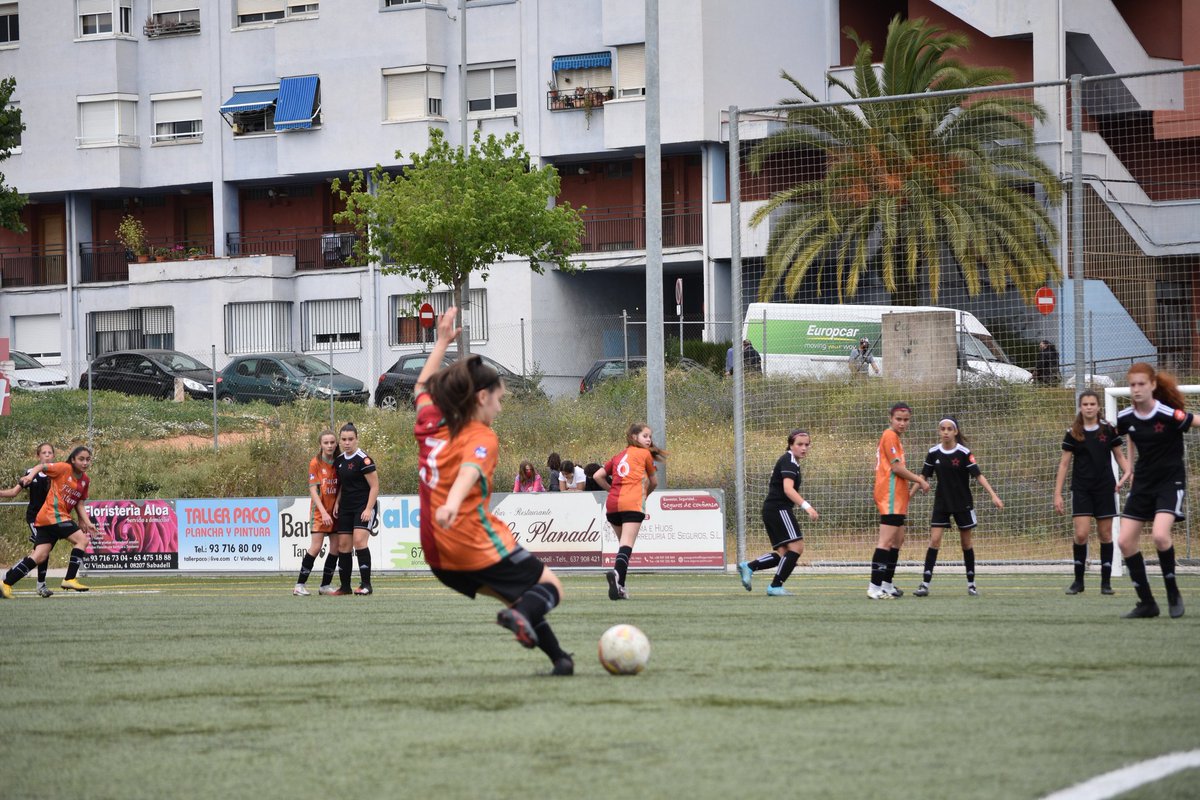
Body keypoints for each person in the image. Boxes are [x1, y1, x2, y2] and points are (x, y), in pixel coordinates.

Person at [421, 311, 573, 675]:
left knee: (521, 596)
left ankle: (561, 661)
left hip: (436, 552)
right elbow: (469, 474)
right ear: (482, 397)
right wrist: (453, 503)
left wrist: (441, 342)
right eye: (499, 400)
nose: (500, 407)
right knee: (550, 587)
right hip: (471, 541)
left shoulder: (430, 421)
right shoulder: (482, 436)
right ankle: (522, 617)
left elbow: (422, 385)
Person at [1114, 363, 1193, 619]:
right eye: (1132, 384)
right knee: (1125, 542)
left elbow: (1195, 421)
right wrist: (1128, 467)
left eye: (1141, 384)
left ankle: (1172, 592)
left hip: (1170, 483)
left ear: (1152, 386)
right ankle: (1147, 603)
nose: (1136, 389)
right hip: (1143, 485)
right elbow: (1126, 437)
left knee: (1160, 535)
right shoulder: (1126, 417)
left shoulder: (1168, 414)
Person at [913, 418, 1004, 597]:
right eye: (942, 429)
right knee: (934, 541)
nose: (945, 432)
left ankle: (971, 584)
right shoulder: (933, 452)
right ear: (939, 431)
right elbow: (923, 476)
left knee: (966, 543)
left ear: (955, 432)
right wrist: (908, 496)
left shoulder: (964, 452)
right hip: (942, 503)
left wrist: (993, 495)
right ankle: (924, 584)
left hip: (963, 503)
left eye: (949, 429)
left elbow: (978, 475)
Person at [1053, 390, 1132, 596]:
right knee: (1081, 534)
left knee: (1105, 534)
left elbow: (1120, 456)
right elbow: (1063, 465)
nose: (1089, 407)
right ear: (1081, 407)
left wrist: (1130, 473)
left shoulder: (1108, 430)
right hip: (1081, 489)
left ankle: (1105, 584)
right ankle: (1078, 581)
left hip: (1105, 488)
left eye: (1092, 404)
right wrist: (1057, 494)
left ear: (1098, 407)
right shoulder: (1073, 432)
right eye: (1085, 404)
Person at [2, 446, 97, 598]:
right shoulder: (63, 468)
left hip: (47, 519)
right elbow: (41, 466)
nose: (85, 462)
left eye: (87, 459)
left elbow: (79, 503)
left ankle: (6, 584)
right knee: (82, 541)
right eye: (81, 459)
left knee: (39, 556)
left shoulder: (85, 480)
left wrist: (85, 521)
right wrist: (29, 476)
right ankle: (69, 578)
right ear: (73, 460)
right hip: (54, 515)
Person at [737, 429, 819, 596]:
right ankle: (775, 586)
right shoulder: (789, 461)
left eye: (807, 444)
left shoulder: (791, 461)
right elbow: (788, 490)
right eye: (799, 444)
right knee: (797, 547)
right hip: (778, 508)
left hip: (771, 509)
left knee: (784, 555)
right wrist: (807, 507)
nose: (804, 448)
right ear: (790, 445)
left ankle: (750, 567)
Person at [592, 423, 666, 600]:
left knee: (623, 548)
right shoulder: (644, 454)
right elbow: (654, 482)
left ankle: (620, 588)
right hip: (632, 503)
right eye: (645, 436)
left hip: (612, 505)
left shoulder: (618, 456)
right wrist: (643, 496)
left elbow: (597, 476)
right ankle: (617, 576)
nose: (649, 439)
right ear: (634, 437)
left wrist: (611, 490)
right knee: (626, 546)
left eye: (649, 436)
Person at [867, 403, 929, 599]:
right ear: (890, 419)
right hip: (889, 495)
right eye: (899, 419)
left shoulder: (896, 438)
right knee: (885, 542)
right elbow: (896, 469)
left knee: (898, 540)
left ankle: (887, 584)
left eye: (906, 420)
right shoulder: (889, 435)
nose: (902, 423)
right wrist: (920, 480)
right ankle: (874, 588)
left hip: (898, 497)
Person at [0, 443, 58, 598]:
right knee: (42, 552)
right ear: (38, 456)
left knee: (41, 553)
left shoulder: (57, 473)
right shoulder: (31, 473)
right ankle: (40, 585)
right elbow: (13, 492)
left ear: (53, 455)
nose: (47, 455)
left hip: (52, 518)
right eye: (43, 453)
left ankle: (9, 576)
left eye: (49, 452)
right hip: (35, 518)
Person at [293, 431, 342, 596]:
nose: (329, 445)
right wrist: (323, 512)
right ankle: (299, 585)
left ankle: (325, 586)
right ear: (320, 444)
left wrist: (337, 503)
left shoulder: (339, 461)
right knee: (316, 547)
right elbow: (313, 490)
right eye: (326, 443)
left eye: (332, 442)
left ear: (336, 444)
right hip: (320, 513)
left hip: (334, 512)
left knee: (336, 547)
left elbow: (341, 486)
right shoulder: (315, 463)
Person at [333, 422, 379, 596]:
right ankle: (345, 587)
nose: (347, 443)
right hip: (346, 507)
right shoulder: (339, 461)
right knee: (343, 546)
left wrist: (368, 509)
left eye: (350, 439)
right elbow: (343, 485)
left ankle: (366, 585)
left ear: (357, 439)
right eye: (344, 439)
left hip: (363, 506)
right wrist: (337, 502)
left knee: (359, 542)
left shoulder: (364, 460)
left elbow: (375, 487)